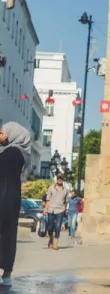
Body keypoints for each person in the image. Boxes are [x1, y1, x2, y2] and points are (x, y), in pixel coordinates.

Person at [0, 122, 32, 287]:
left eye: (2, 133)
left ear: (13, 134)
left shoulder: (12, 152)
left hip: (4, 195)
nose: (1, 136)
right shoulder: (20, 152)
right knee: (8, 232)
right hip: (11, 196)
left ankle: (5, 271)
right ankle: (7, 272)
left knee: (4, 232)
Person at [43, 175, 70, 250]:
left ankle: (55, 244)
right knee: (50, 227)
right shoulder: (51, 187)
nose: (60, 180)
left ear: (63, 180)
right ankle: (51, 238)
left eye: (61, 179)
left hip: (60, 210)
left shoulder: (66, 190)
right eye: (58, 179)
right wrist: (45, 209)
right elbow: (47, 199)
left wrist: (65, 208)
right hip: (51, 209)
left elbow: (66, 201)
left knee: (58, 227)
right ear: (57, 180)